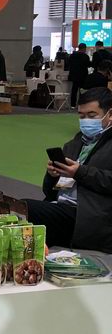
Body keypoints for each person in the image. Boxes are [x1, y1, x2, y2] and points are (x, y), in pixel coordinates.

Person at [25, 87, 112, 250]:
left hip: (88, 215)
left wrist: (79, 172)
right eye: (81, 116)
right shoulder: (75, 143)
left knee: (25, 209)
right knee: (15, 208)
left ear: (110, 114)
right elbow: (49, 192)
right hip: (61, 205)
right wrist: (52, 175)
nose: (86, 121)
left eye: (92, 115)